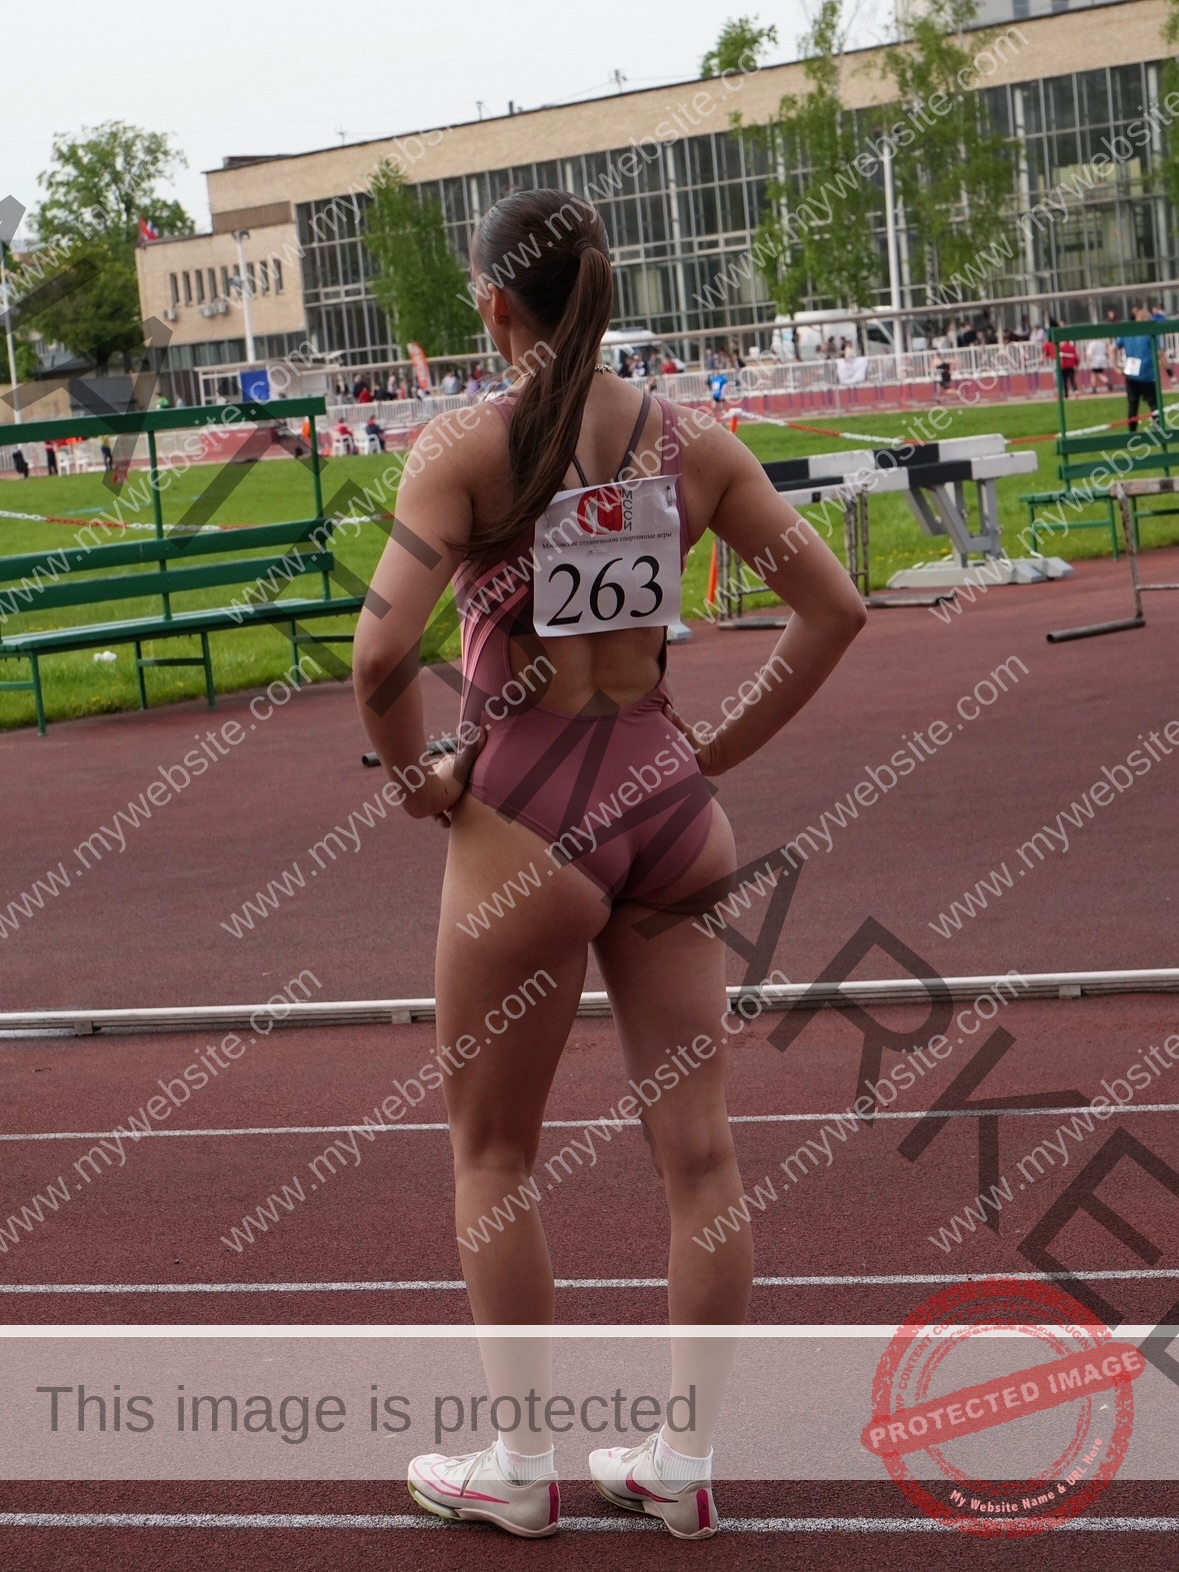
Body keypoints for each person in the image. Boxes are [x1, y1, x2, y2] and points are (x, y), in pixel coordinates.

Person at [353, 188, 865, 1541]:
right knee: (696, 1155)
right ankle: (680, 1461)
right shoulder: (692, 445)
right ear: (605, 289)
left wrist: (417, 782)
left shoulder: (464, 446)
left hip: (522, 804)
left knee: (495, 1151)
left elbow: (376, 654)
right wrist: (720, 747)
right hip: (665, 802)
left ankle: (520, 1464)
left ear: (490, 305)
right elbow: (834, 606)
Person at [1116, 305, 1170, 431]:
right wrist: (1170, 372)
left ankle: (1132, 431)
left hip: (1131, 375)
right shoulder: (1150, 334)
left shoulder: (1127, 333)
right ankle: (1158, 428)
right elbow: (1160, 353)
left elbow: (1112, 348)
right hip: (1147, 374)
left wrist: (1116, 367)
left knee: (1133, 404)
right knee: (1154, 403)